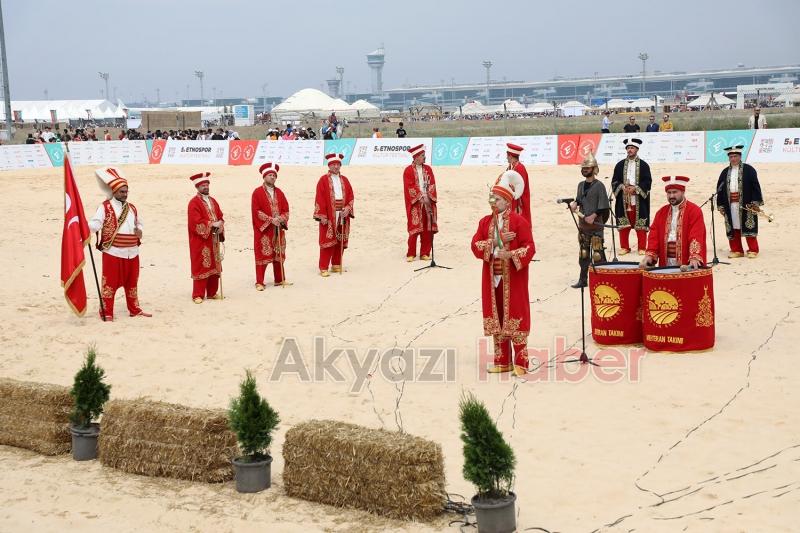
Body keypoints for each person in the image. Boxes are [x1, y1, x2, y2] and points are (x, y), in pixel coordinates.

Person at [471, 170, 535, 376]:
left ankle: (521, 362)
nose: (493, 201)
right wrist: (497, 242)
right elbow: (475, 245)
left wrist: (511, 255)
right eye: (492, 198)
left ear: (507, 201)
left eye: (497, 198)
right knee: (497, 316)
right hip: (492, 279)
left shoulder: (519, 222)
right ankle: (502, 360)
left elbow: (530, 247)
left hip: (512, 278)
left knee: (515, 315)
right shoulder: (485, 222)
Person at [89, 168, 151, 320]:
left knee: (132, 283)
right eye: (122, 192)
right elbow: (95, 224)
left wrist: (140, 231)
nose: (125, 194)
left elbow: (140, 224)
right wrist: (82, 225)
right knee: (109, 284)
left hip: (133, 252)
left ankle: (134, 309)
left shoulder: (132, 208)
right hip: (113, 252)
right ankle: (107, 312)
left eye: (126, 191)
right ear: (114, 191)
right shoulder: (105, 207)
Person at [640, 176, 706, 268]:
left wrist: (694, 256)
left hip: (687, 263)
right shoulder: (661, 212)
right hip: (665, 261)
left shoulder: (694, 211)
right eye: (669, 193)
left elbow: (696, 235)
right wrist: (650, 255)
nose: (671, 196)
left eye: (675, 192)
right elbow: (653, 236)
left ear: (683, 192)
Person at [569, 152, 610, 288]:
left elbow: (604, 206)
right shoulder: (580, 185)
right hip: (583, 226)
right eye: (583, 168)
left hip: (595, 226)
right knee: (583, 253)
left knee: (598, 255)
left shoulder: (599, 186)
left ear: (594, 169)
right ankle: (583, 280)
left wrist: (593, 216)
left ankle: (602, 281)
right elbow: (580, 199)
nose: (585, 170)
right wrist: (575, 203)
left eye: (587, 168)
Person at [716, 145, 764, 258]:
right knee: (733, 226)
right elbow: (719, 189)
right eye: (731, 156)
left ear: (740, 156)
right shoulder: (724, 172)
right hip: (730, 205)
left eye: (735, 156)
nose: (733, 159)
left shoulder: (749, 170)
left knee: (749, 225)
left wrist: (755, 202)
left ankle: (753, 250)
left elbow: (756, 186)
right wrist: (721, 205)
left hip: (747, 204)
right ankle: (737, 250)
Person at [314, 153, 355, 276]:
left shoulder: (345, 180)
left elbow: (351, 196)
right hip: (329, 214)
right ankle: (323, 267)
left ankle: (336, 264)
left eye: (338, 164)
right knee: (327, 240)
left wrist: (348, 208)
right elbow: (319, 198)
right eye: (334, 164)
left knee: (341, 238)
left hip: (343, 213)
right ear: (329, 165)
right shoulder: (323, 180)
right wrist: (322, 216)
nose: (336, 167)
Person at [187, 172, 225, 303]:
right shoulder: (193, 203)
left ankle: (212, 293)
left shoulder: (213, 201)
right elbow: (195, 222)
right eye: (202, 185)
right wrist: (211, 224)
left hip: (213, 239)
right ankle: (197, 294)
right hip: (200, 240)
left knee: (214, 265)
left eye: (207, 184)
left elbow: (220, 216)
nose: (205, 187)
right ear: (197, 187)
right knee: (201, 264)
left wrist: (221, 225)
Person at [252, 162, 290, 289]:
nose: (272, 177)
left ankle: (279, 279)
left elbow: (286, 209)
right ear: (264, 177)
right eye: (270, 175)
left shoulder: (280, 192)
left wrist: (282, 218)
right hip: (264, 229)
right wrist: (270, 219)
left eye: (274, 175)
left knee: (279, 254)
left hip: (278, 228)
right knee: (262, 254)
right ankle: (259, 282)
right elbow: (256, 211)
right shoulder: (257, 192)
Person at [611, 138, 652, 255]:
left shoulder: (644, 165)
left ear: (637, 149)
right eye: (628, 148)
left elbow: (647, 181)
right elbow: (614, 180)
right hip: (623, 199)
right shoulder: (619, 165)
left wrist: (636, 188)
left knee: (640, 222)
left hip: (638, 198)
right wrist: (622, 187)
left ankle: (642, 247)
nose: (629, 150)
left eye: (632, 148)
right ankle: (624, 247)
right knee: (624, 222)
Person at [403, 144, 438, 261]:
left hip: (428, 201)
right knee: (414, 227)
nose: (424, 157)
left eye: (424, 155)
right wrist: (420, 197)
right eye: (422, 155)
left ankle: (425, 252)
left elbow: (432, 183)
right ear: (416, 157)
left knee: (427, 229)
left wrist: (429, 197)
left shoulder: (428, 169)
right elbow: (409, 186)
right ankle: (411, 253)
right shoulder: (408, 171)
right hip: (416, 203)